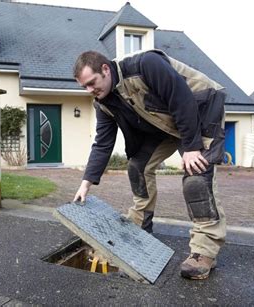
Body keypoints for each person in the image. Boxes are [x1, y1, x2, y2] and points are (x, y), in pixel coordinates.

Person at [72, 49, 227, 280]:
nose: (90, 90)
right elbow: (102, 144)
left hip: (201, 105)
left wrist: (192, 147)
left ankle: (204, 252)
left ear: (105, 69)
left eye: (91, 83)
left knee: (196, 177)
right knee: (138, 167)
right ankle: (141, 225)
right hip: (164, 122)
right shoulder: (103, 102)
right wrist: (85, 184)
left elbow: (181, 98)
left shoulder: (146, 64)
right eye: (84, 86)